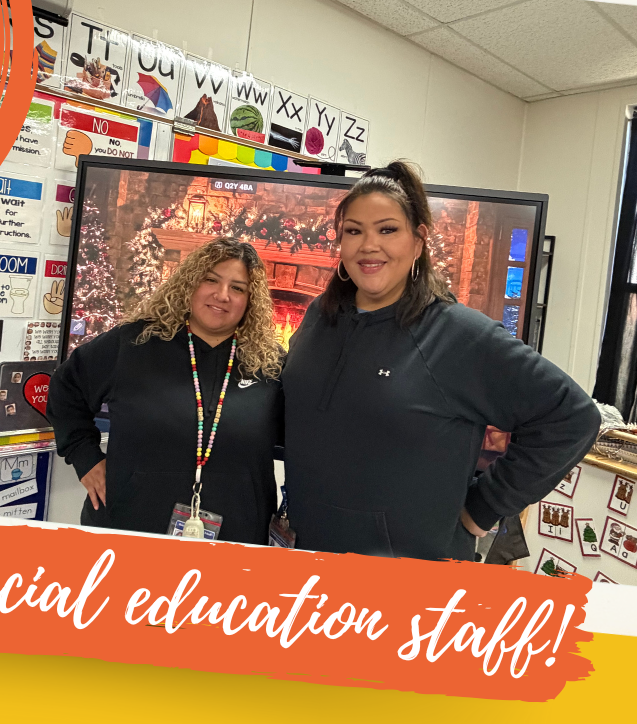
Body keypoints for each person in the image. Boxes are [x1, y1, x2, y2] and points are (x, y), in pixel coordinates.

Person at [280, 160, 601, 561]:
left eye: (387, 229)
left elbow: (572, 417)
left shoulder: (458, 334)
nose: (368, 245)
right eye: (354, 231)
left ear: (418, 241)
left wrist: (481, 509)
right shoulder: (318, 318)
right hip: (307, 558)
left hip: (410, 579)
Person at [47, 237, 284, 544]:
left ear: (251, 300)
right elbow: (66, 390)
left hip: (237, 535)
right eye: (211, 280)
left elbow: (307, 436)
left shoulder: (270, 366)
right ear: (190, 284)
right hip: (127, 527)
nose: (222, 295)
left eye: (237, 288)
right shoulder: (134, 343)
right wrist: (85, 457)